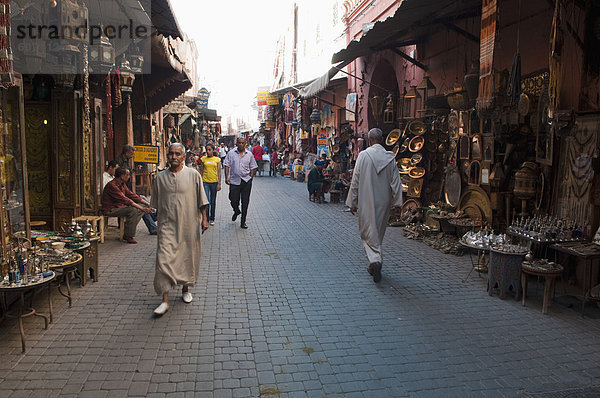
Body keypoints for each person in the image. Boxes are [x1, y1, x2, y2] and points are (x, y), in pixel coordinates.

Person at [151, 143, 210, 316]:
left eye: (177, 154)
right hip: (167, 225)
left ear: (184, 157)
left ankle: (185, 289)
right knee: (163, 258)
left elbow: (202, 200)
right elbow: (155, 204)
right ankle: (165, 300)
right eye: (171, 154)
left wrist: (204, 219)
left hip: (188, 224)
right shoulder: (159, 178)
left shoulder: (193, 175)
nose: (174, 157)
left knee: (187, 256)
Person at [346, 128, 403, 283]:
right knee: (377, 231)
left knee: (367, 231)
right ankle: (374, 263)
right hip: (384, 202)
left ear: (369, 140)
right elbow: (396, 182)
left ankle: (375, 261)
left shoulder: (363, 156)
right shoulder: (390, 158)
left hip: (366, 200)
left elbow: (355, 180)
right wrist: (398, 203)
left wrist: (352, 202)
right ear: (382, 139)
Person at [101, 167, 154, 244]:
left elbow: (131, 195)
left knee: (142, 206)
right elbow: (125, 200)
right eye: (127, 175)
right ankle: (128, 235)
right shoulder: (112, 185)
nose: (129, 176)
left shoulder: (122, 184)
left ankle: (128, 227)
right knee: (133, 210)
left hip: (120, 207)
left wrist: (148, 204)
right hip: (111, 209)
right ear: (122, 176)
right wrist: (142, 208)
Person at [223, 137, 257, 229]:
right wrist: (226, 177)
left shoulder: (249, 154)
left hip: (246, 181)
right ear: (236, 143)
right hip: (234, 181)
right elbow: (226, 165)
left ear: (245, 144)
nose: (241, 145)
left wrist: (251, 177)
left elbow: (253, 167)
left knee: (245, 202)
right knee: (233, 199)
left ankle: (243, 222)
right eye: (239, 143)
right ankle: (236, 210)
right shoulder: (231, 153)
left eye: (243, 143)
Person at [197, 143, 221, 225]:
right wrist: (200, 181)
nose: (208, 151)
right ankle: (206, 218)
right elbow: (201, 170)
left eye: (209, 150)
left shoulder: (217, 160)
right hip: (205, 182)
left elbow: (219, 172)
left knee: (213, 201)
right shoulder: (203, 159)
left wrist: (219, 183)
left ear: (213, 150)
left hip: (214, 182)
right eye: (207, 150)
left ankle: (212, 218)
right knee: (206, 200)